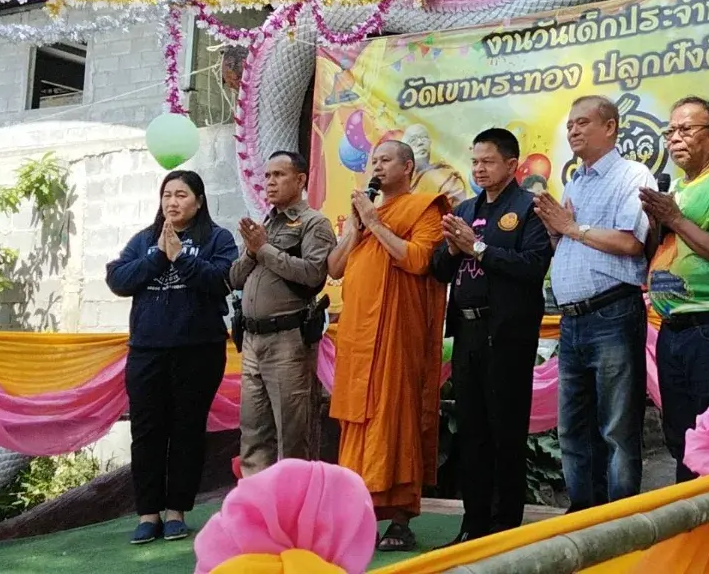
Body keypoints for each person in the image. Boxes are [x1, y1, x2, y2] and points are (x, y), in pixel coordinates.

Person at [429, 128, 552, 544]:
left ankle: (504, 526)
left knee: (505, 430)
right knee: (472, 431)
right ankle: (473, 523)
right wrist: (452, 248)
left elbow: (532, 266)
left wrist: (477, 248)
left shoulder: (529, 208)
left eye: (488, 161)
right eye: (475, 161)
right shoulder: (466, 208)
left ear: (512, 165)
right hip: (467, 332)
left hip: (507, 334)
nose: (479, 169)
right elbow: (439, 269)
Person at [534, 95, 655, 511]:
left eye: (583, 122)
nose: (574, 131)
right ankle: (582, 517)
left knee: (616, 429)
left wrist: (570, 227)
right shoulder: (575, 182)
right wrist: (556, 233)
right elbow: (571, 241)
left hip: (612, 313)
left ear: (610, 127)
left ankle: (619, 521)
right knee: (573, 428)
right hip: (572, 320)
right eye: (570, 124)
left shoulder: (632, 175)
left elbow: (631, 242)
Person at [327, 140, 449, 552]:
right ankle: (356, 514)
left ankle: (399, 520)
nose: (376, 167)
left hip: (396, 334)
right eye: (373, 161)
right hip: (358, 336)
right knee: (357, 420)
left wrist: (375, 224)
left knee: (394, 416)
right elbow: (335, 268)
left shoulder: (425, 208)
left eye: (385, 160)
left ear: (408, 167)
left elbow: (418, 260)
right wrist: (356, 228)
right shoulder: (366, 213)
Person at [106, 170, 238, 544]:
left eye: (181, 195)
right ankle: (148, 514)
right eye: (167, 195)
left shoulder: (217, 238)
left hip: (199, 351)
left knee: (186, 430)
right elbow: (118, 279)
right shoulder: (144, 239)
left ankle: (177, 511)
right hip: (147, 351)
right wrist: (158, 258)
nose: (172, 202)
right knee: (146, 431)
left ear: (199, 201)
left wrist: (181, 258)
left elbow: (223, 279)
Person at [640, 97, 709, 482]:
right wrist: (658, 223)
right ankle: (690, 516)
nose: (675, 138)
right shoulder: (677, 188)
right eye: (670, 131)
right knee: (682, 440)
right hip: (673, 328)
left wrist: (675, 218)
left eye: (686, 129)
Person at [229, 151, 336, 476]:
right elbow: (234, 278)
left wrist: (264, 249)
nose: (270, 183)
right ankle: (257, 502)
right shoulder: (264, 224)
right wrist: (253, 251)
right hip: (252, 340)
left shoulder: (314, 223)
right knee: (253, 434)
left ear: (300, 180)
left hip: (289, 341)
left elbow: (313, 275)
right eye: (267, 176)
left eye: (279, 175)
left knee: (292, 437)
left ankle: (295, 503)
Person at [405, 123, 469, 207]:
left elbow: (456, 208)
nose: (420, 143)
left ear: (430, 143)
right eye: (413, 140)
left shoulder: (447, 176)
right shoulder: (399, 184)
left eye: (424, 138)